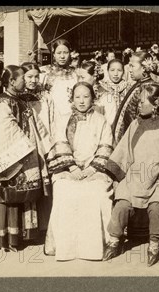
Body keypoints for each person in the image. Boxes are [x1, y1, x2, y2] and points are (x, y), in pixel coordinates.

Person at [103, 83, 159, 267]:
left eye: (142, 101)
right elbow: (124, 151)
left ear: (156, 104)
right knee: (122, 204)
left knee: (157, 207)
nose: (138, 105)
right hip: (135, 177)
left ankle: (155, 244)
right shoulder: (136, 124)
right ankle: (114, 240)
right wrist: (116, 176)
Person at [43, 82, 114, 261]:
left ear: (93, 98)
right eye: (77, 97)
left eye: (86, 96)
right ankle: (65, 247)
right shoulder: (63, 119)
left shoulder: (101, 119)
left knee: (98, 193)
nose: (82, 101)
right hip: (68, 169)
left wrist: (91, 169)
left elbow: (106, 146)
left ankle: (95, 248)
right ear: (72, 99)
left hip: (94, 169)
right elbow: (59, 142)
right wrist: (73, 167)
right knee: (65, 192)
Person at [0, 65, 50, 251]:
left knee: (18, 196)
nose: (25, 82)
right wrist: (25, 144)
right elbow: (2, 131)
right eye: (22, 79)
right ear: (12, 81)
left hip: (24, 156)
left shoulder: (20, 100)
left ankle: (18, 237)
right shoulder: (0, 103)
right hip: (10, 156)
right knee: (5, 196)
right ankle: (2, 239)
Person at [19, 62, 56, 233]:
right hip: (23, 147)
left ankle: (45, 226)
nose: (33, 80)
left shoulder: (45, 97)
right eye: (29, 76)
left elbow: (52, 121)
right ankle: (25, 229)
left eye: (36, 76)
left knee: (44, 186)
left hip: (44, 145)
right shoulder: (17, 98)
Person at [110, 50, 158, 147]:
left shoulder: (149, 88)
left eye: (132, 66)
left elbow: (145, 122)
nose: (129, 70)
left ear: (144, 68)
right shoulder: (139, 84)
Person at [40, 39, 79, 123]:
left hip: (72, 116)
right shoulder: (45, 72)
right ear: (53, 54)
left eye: (65, 52)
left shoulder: (77, 74)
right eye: (59, 53)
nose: (62, 56)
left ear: (70, 53)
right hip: (52, 116)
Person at [95, 59, 128, 132]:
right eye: (112, 70)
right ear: (107, 71)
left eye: (119, 70)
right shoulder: (101, 88)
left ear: (123, 72)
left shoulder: (129, 88)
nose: (116, 74)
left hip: (125, 127)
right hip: (105, 127)